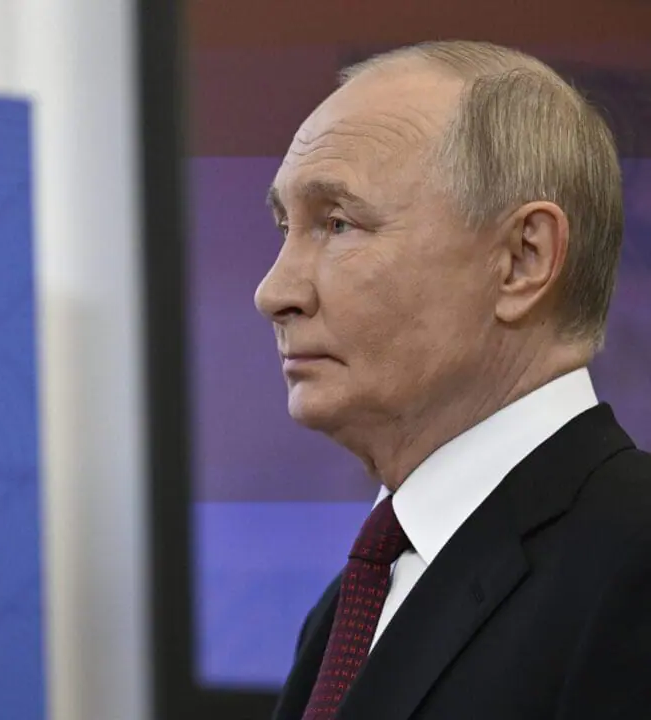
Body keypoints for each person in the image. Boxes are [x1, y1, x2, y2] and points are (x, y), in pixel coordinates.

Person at [258, 40, 651, 720]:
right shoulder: (347, 607)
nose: (274, 291)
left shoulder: (635, 561)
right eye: (285, 226)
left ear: (523, 260)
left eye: (337, 223)